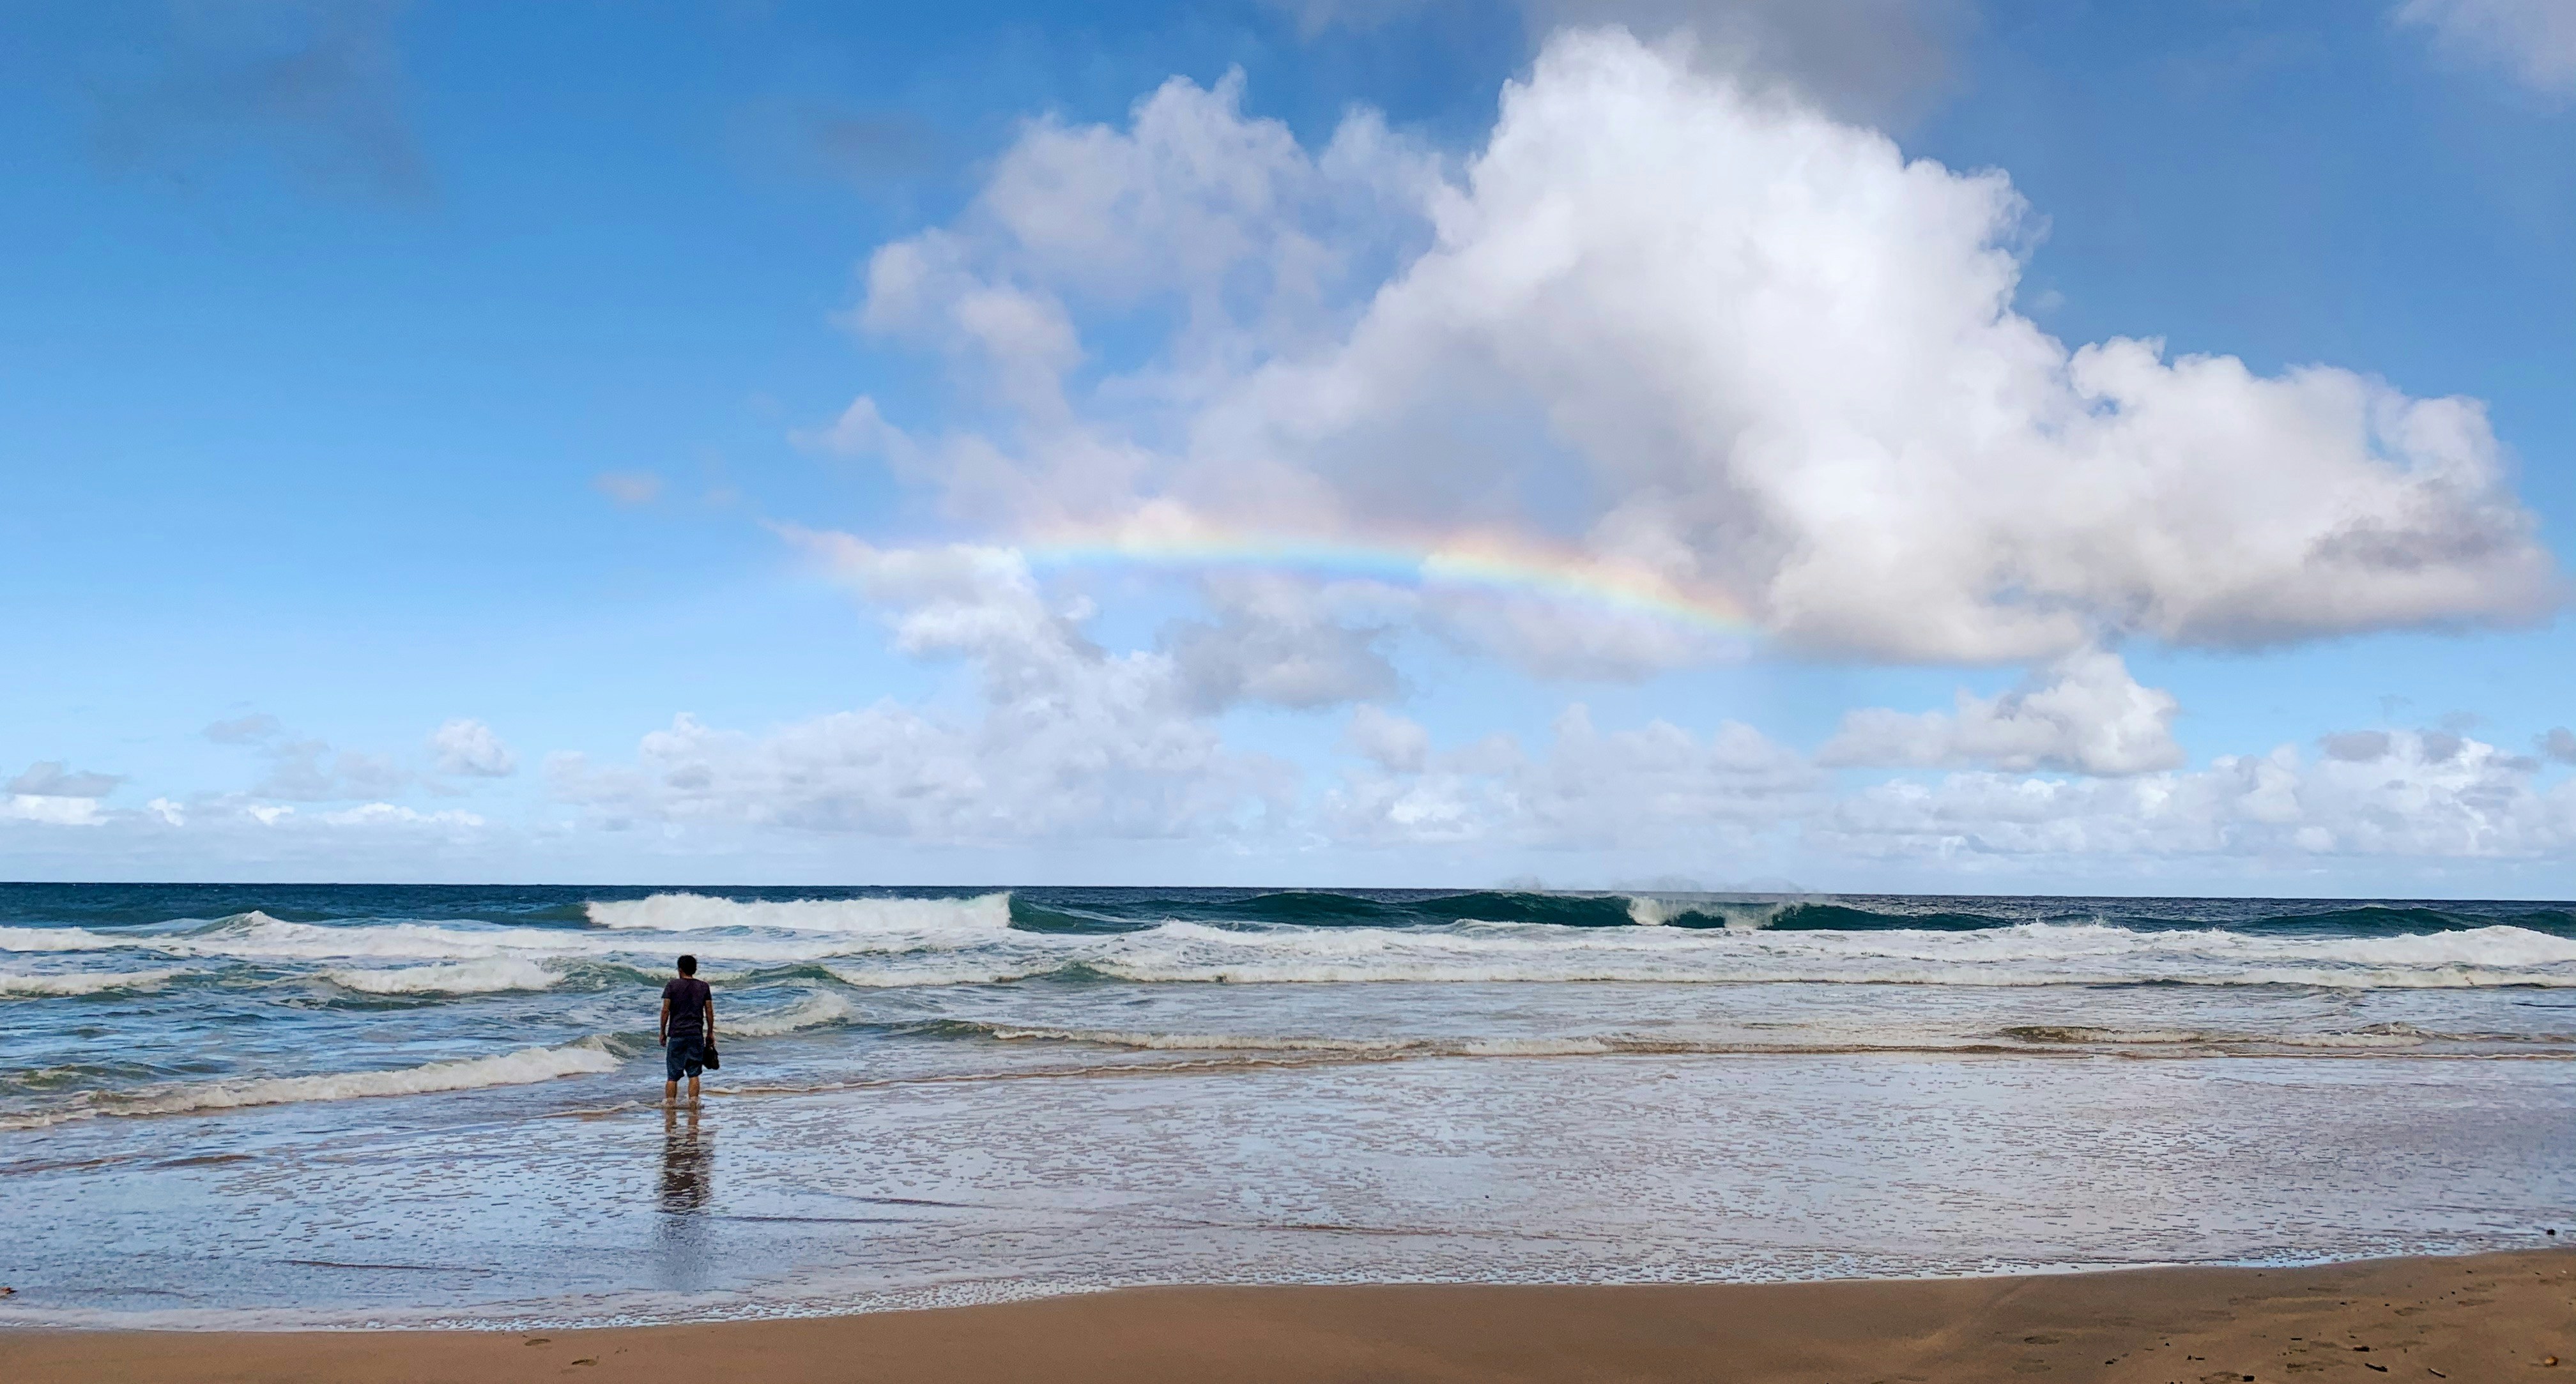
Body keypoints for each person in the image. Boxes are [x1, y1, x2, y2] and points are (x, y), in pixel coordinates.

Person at [659, 954, 715, 1106]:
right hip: (695, 1035)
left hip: (677, 1034)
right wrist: (710, 1033)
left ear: (680, 969)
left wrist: (662, 1032)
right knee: (694, 1073)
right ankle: (693, 1104)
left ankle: (670, 1105)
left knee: (672, 1075)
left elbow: (665, 1011)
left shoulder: (672, 986)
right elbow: (709, 1011)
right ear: (694, 970)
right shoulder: (704, 987)